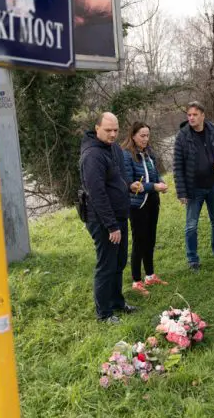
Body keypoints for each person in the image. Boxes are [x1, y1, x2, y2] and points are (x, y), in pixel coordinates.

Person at [80, 112, 138, 324]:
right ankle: (104, 314)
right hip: (103, 220)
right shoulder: (92, 156)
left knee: (119, 261)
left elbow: (118, 177)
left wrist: (129, 185)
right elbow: (97, 194)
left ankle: (117, 302)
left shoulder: (114, 148)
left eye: (116, 130)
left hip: (120, 215)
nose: (113, 134)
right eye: (108, 130)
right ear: (97, 129)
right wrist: (112, 226)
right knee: (107, 265)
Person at [173, 101, 214, 271]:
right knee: (191, 226)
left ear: (203, 115)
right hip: (193, 188)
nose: (191, 118)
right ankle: (192, 260)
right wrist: (181, 192)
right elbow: (177, 166)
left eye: (195, 115)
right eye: (189, 115)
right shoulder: (182, 136)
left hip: (213, 185)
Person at [121, 122, 169, 296]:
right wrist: (154, 186)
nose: (145, 139)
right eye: (142, 135)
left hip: (152, 202)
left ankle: (150, 275)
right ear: (133, 136)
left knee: (150, 239)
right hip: (137, 205)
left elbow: (155, 174)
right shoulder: (126, 155)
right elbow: (131, 185)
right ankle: (136, 281)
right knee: (139, 242)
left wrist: (161, 182)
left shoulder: (149, 153)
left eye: (147, 135)